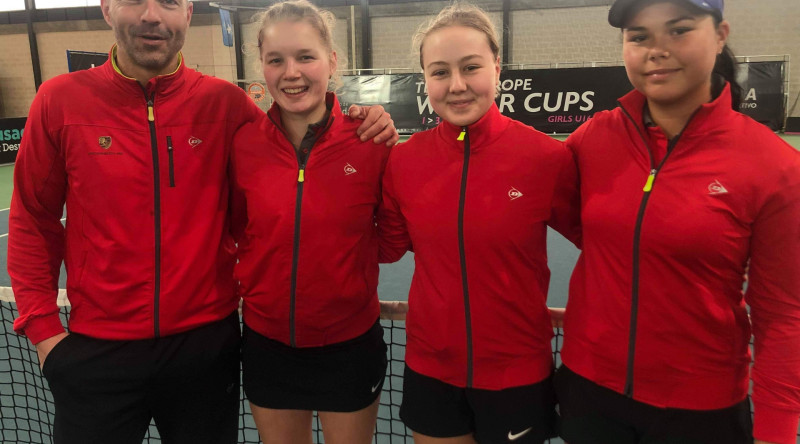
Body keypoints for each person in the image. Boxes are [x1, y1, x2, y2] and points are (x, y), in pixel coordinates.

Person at [7, 0, 397, 442]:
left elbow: (291, 153)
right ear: (107, 9)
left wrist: (365, 119)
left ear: (188, 13)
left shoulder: (227, 105)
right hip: (97, 351)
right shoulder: (59, 101)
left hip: (206, 352)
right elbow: (33, 220)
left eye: (169, 2)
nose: (152, 15)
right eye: (135, 0)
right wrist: (44, 333)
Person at [555, 1, 800, 443]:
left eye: (679, 30)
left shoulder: (774, 166)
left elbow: (783, 313)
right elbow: (549, 203)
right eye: (639, 37)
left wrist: (776, 430)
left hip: (700, 409)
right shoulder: (594, 138)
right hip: (588, 392)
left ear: (720, 35)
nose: (657, 49)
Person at [378, 3, 580, 443]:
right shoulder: (403, 162)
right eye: (440, 72)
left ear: (497, 69)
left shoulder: (546, 158)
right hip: (430, 369)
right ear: (425, 79)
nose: (457, 85)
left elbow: (606, 242)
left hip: (517, 375)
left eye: (471, 67)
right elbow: (387, 246)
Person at [229, 1, 389, 443]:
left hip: (350, 347)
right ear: (261, 67)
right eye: (275, 60)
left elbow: (392, 239)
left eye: (305, 57)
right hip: (267, 347)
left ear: (332, 61)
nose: (291, 73)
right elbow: (239, 230)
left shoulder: (372, 141)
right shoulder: (242, 145)